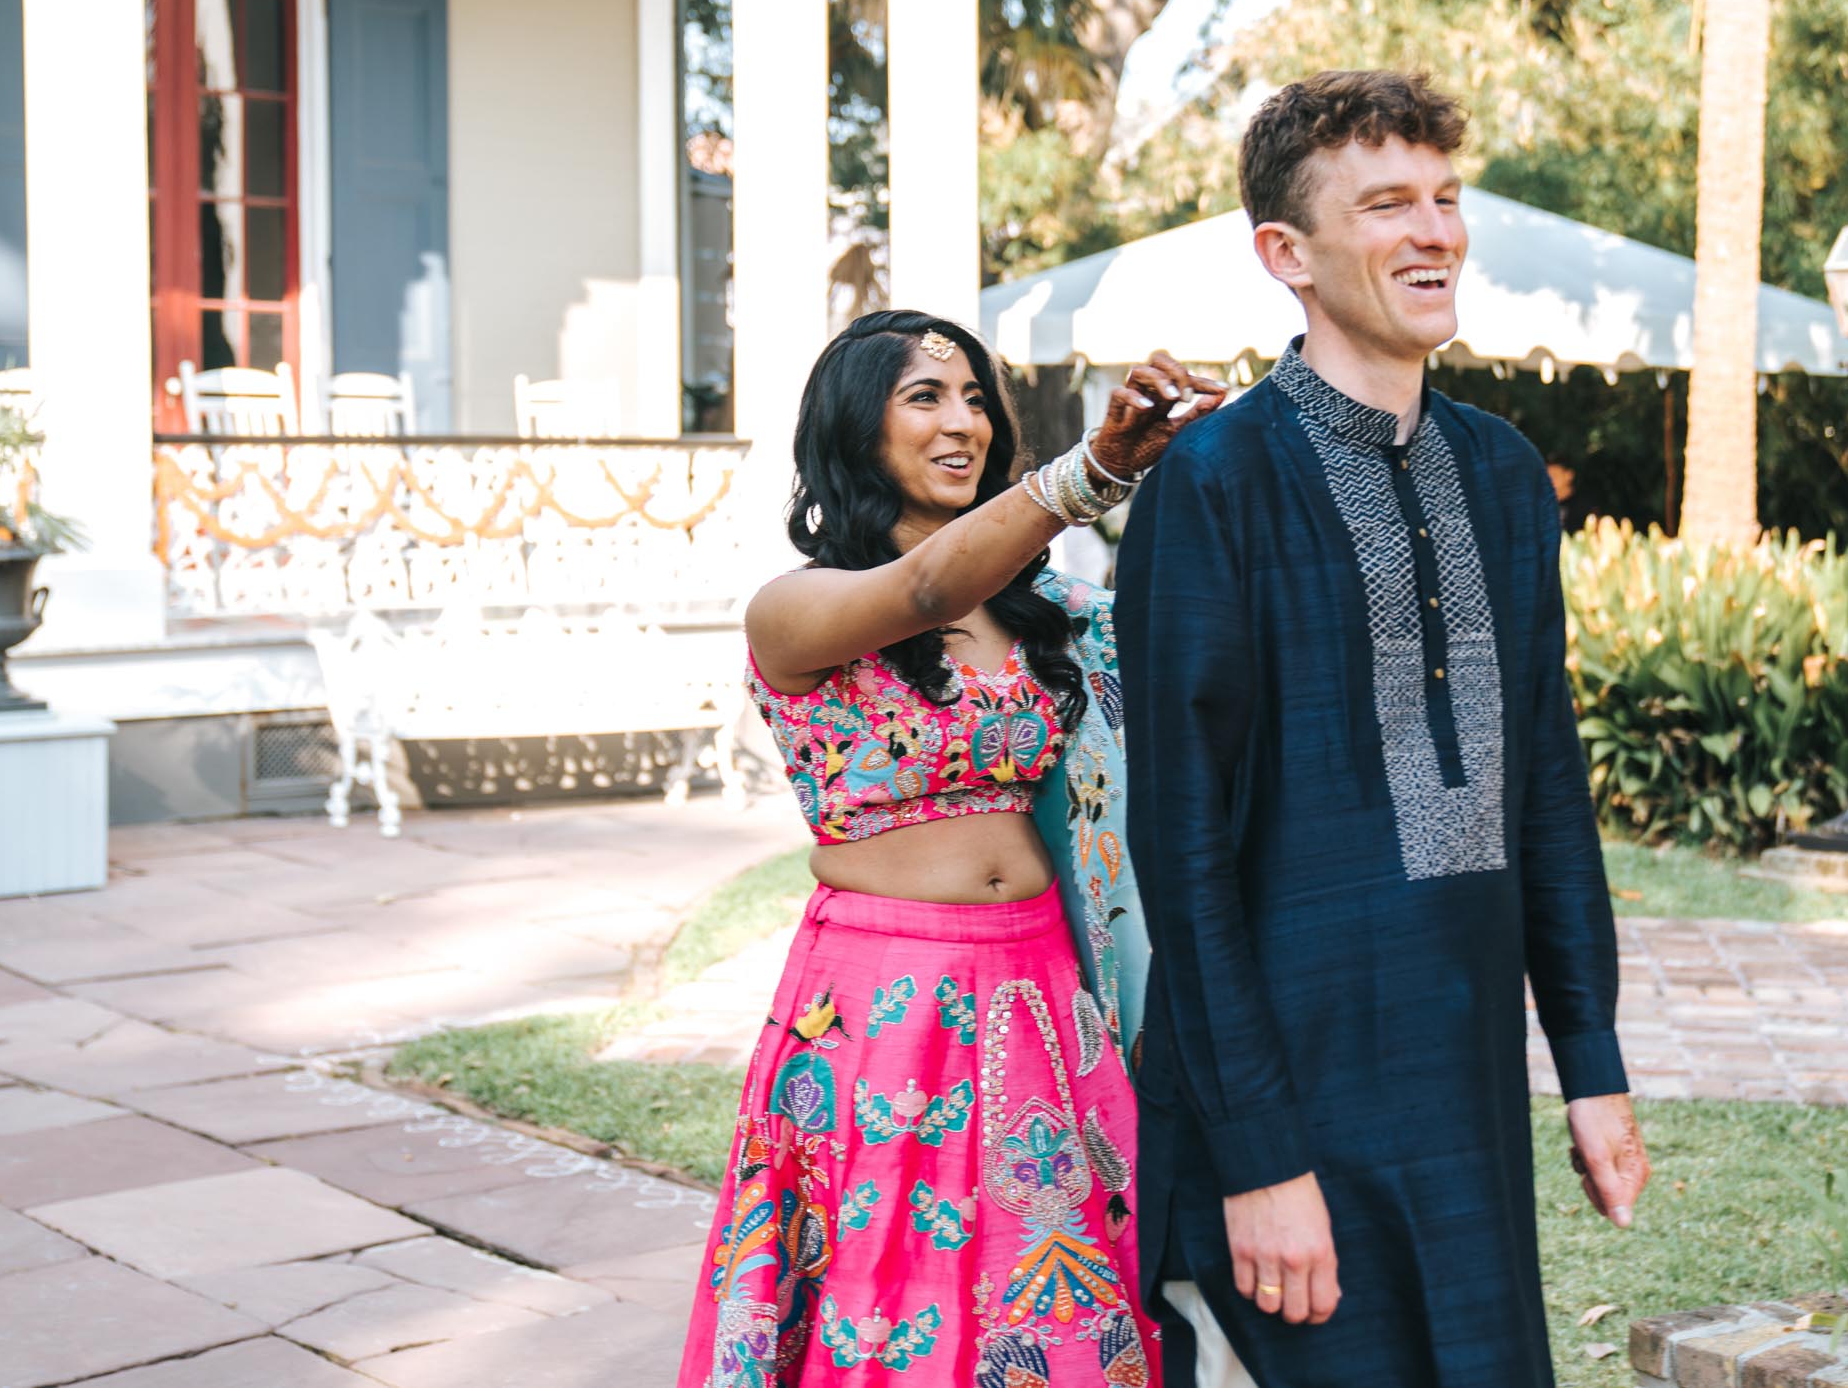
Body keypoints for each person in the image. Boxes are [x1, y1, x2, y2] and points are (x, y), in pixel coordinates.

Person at [1116, 71, 1652, 1386]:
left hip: (1460, 1088)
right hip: (1285, 1105)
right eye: (1385, 204)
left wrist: (1588, 1059)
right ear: (1284, 255)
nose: (1433, 231)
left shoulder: (1505, 474)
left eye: (1444, 198)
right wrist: (1256, 1159)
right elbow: (1178, 851)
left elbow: (1541, 787)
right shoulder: (1213, 484)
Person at [680, 309, 1224, 1387]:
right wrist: (1092, 472)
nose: (962, 421)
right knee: (892, 1295)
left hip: (1041, 980)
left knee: (1058, 1282)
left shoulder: (1049, 616)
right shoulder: (795, 609)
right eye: (923, 396)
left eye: (974, 397)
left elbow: (1191, 658)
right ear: (852, 430)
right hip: (887, 996)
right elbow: (925, 589)